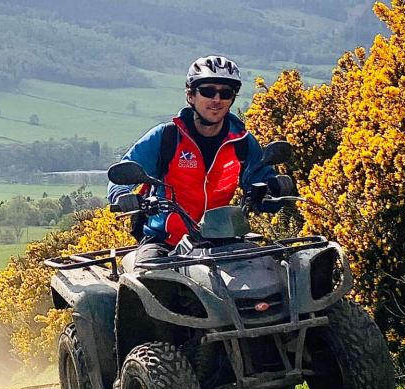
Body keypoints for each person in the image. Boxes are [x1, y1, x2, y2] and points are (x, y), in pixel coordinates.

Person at [107, 55, 293, 265]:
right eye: (207, 91)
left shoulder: (242, 142)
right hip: (165, 242)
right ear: (191, 96)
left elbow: (261, 183)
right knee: (151, 278)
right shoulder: (166, 137)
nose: (216, 99)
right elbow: (122, 174)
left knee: (268, 273)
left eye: (225, 93)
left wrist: (273, 189)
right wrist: (122, 196)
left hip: (223, 239)